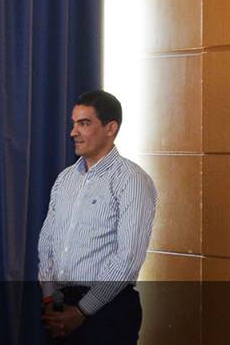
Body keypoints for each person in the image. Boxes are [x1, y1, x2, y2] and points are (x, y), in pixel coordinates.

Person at [37, 90, 157, 344]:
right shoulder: (65, 179)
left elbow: (128, 258)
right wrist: (50, 300)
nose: (73, 132)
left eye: (84, 123)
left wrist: (82, 311)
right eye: (73, 124)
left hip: (108, 310)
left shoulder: (132, 180)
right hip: (60, 307)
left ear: (110, 128)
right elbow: (47, 242)